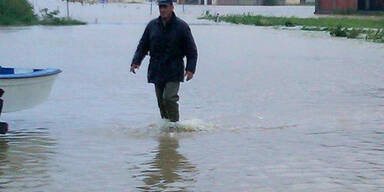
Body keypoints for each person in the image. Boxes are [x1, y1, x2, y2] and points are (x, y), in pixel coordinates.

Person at [130, 0, 198, 123]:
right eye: (160, 7)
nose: (162, 10)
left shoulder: (182, 27)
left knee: (169, 98)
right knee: (161, 101)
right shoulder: (152, 26)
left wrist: (190, 69)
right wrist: (136, 61)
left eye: (165, 7)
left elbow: (192, 50)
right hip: (157, 69)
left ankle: (174, 125)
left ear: (172, 7)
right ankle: (166, 130)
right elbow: (143, 46)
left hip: (174, 69)